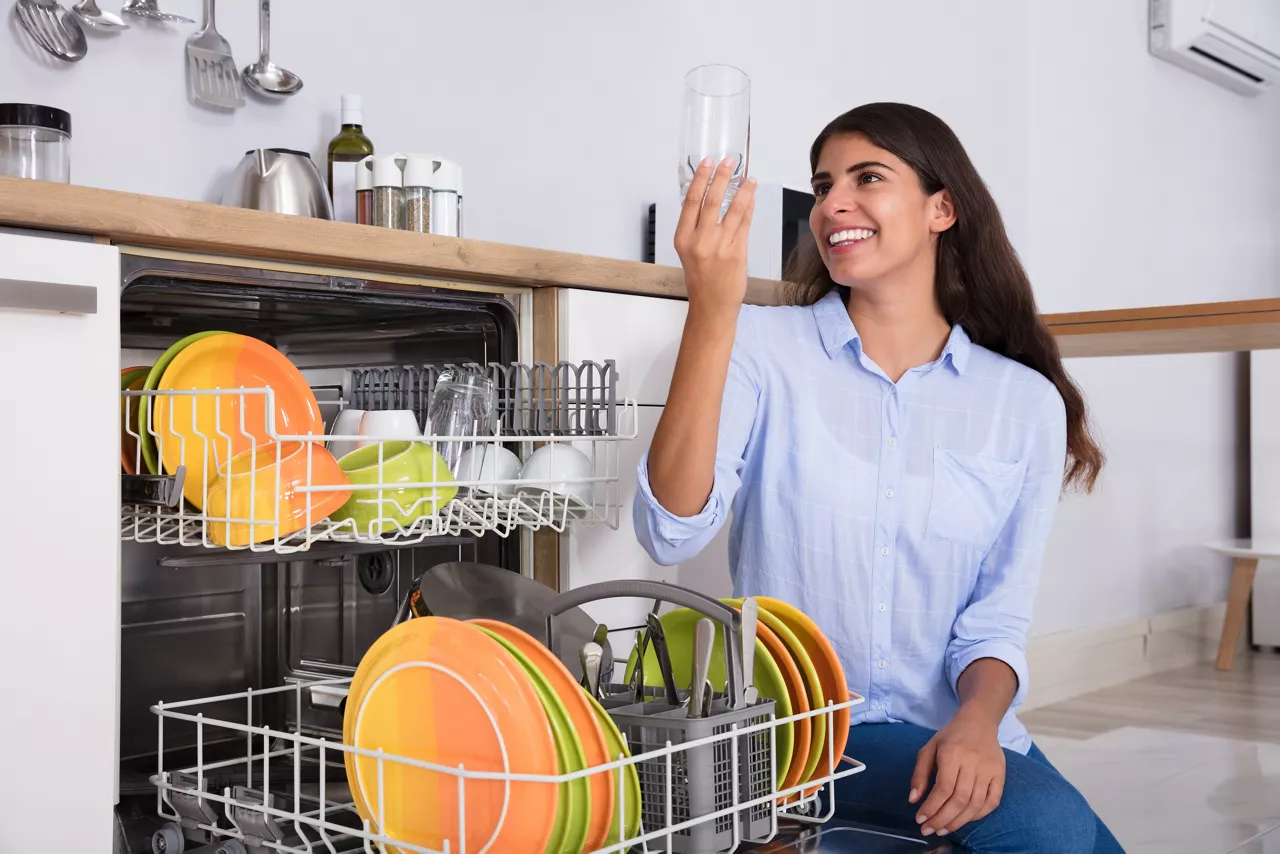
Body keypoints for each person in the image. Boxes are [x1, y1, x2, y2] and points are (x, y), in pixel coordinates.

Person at [633, 102, 1124, 853]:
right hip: (802, 739)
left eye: (868, 177)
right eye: (823, 183)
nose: (833, 203)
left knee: (1087, 842)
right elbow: (669, 529)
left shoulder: (1022, 403)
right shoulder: (762, 346)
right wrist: (713, 308)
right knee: (1051, 829)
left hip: (952, 728)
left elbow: (995, 622)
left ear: (942, 208)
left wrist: (975, 726)